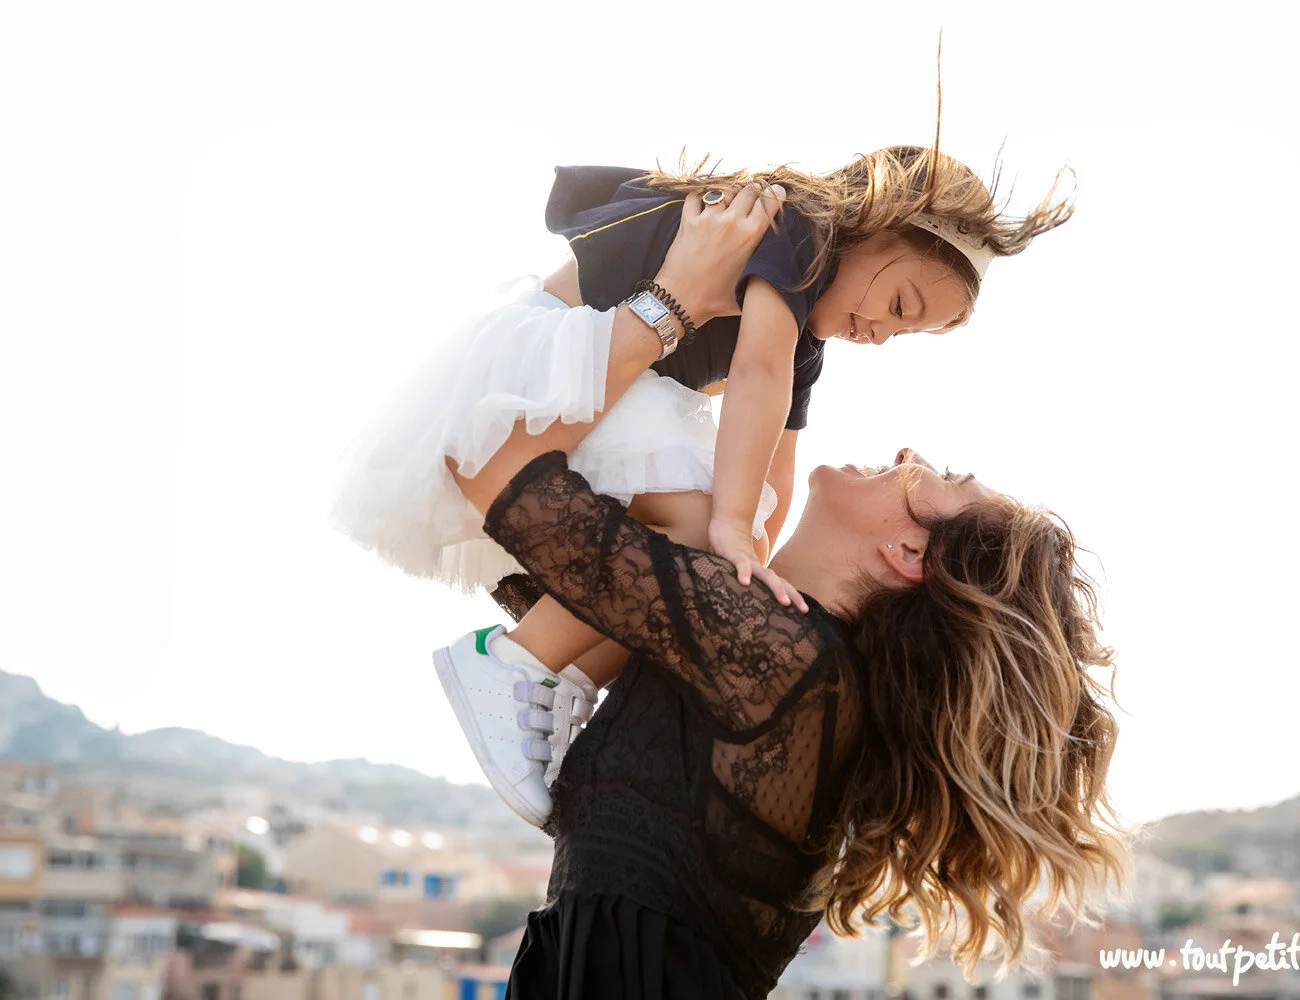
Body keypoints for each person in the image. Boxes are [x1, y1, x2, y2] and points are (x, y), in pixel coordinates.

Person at [427, 199, 1130, 998]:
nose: (908, 453)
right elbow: (566, 561)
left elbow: (489, 469)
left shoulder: (779, 657)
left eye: (941, 477)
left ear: (909, 554)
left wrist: (674, 301)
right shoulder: (790, 669)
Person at [334, 143, 1075, 828]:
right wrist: (725, 531)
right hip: (548, 361)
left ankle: (560, 681)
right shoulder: (799, 228)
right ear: (874, 225)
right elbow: (755, 378)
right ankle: (513, 661)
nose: (882, 333)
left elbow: (776, 471)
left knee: (691, 573)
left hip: (606, 382)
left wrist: (747, 563)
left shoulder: (805, 335)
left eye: (905, 333)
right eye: (903, 304)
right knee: (696, 525)